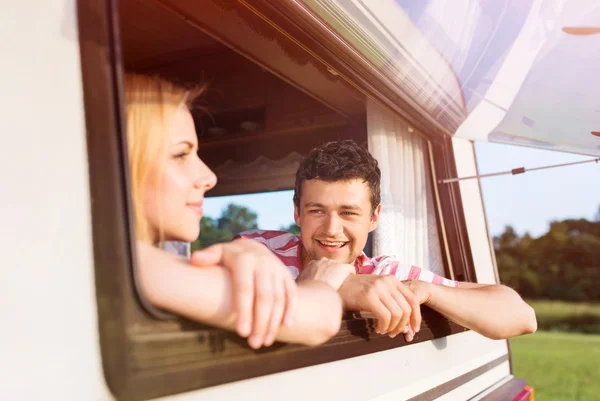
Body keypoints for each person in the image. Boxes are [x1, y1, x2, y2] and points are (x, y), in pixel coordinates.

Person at [195, 140, 537, 341]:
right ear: (297, 213)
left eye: (348, 213)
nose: (331, 229)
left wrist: (429, 291)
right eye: (317, 211)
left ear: (374, 218)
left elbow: (521, 316)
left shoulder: (386, 273)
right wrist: (337, 290)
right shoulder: (260, 250)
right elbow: (225, 279)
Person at [125, 73, 347, 349]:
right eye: (181, 155)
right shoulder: (117, 261)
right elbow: (320, 319)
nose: (209, 177)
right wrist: (320, 281)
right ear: (123, 165)